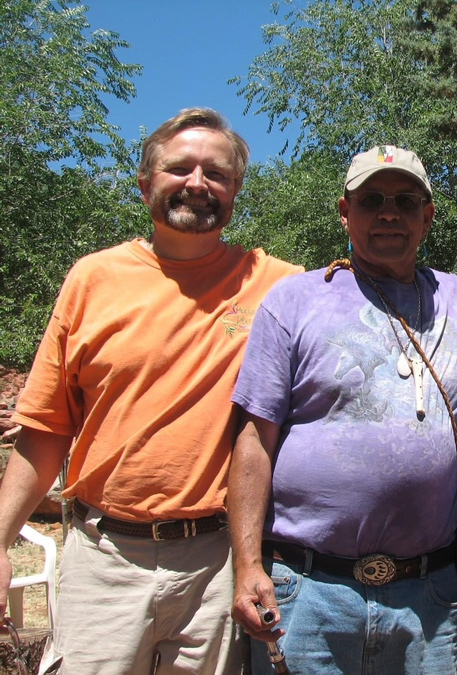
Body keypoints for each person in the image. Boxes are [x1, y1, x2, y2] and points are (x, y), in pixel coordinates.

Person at [0, 108, 301, 674]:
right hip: (103, 558)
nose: (198, 183)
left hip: (218, 564)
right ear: (145, 183)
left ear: (236, 190)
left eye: (217, 173)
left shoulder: (281, 286)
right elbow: (45, 427)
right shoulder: (93, 278)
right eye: (180, 168)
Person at [228, 145, 457, 674]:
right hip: (307, 594)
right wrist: (248, 565)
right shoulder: (294, 300)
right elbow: (254, 441)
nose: (389, 213)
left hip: (430, 596)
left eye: (405, 201)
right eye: (372, 201)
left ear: (427, 216)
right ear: (345, 212)